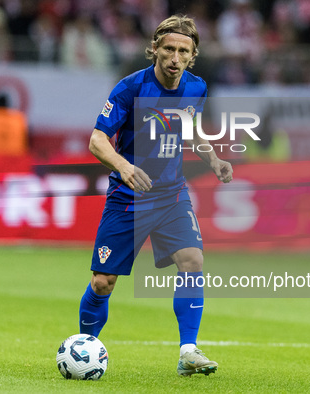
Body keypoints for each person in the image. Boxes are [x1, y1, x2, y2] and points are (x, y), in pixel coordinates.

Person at [78, 15, 233, 376]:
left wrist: (213, 158)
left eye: (183, 51)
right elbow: (97, 139)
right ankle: (84, 346)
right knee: (103, 282)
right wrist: (123, 166)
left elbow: (190, 128)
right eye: (168, 49)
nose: (175, 57)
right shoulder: (130, 88)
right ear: (155, 50)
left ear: (192, 56)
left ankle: (188, 350)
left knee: (193, 260)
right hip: (128, 196)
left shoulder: (196, 87)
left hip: (171, 195)